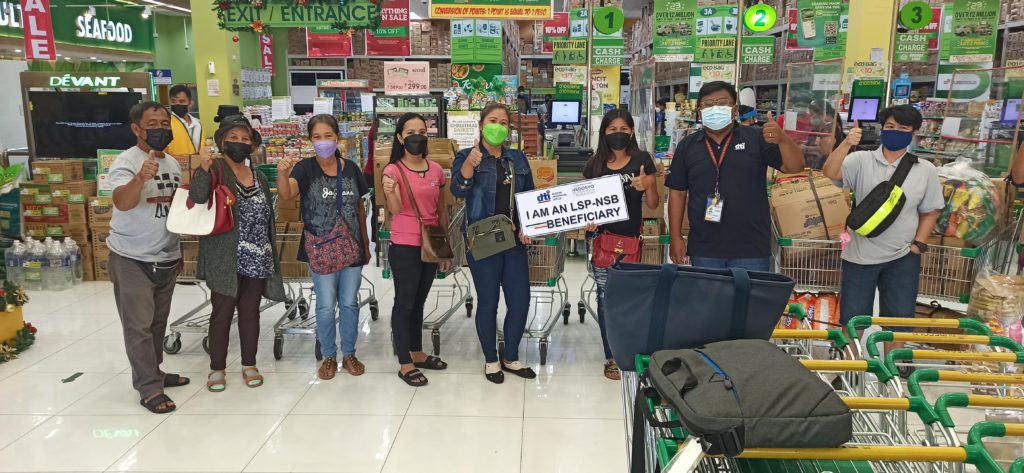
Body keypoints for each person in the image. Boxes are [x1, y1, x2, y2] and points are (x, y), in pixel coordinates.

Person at [822, 106, 944, 354]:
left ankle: (893, 369)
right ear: (881, 129)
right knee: (853, 319)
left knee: (898, 320)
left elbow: (931, 211)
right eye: (890, 126)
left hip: (902, 257)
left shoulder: (925, 170)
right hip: (859, 255)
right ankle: (849, 368)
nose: (895, 131)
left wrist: (918, 245)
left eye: (903, 128)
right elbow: (830, 172)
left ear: (914, 133)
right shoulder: (861, 160)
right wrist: (846, 143)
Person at [667, 81, 804, 271]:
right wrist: (675, 237)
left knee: (750, 292)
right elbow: (677, 193)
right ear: (699, 112)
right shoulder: (687, 146)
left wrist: (783, 140)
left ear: (735, 109)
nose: (715, 108)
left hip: (752, 248)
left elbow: (794, 167)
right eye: (708, 104)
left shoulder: (757, 138)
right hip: (704, 248)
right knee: (707, 291)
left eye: (722, 103)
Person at [192, 116, 286, 392]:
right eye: (233, 137)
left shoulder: (257, 175)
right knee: (221, 313)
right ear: (222, 141)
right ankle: (217, 369)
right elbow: (197, 197)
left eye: (245, 139)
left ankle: (249, 364)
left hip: (258, 256)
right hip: (225, 256)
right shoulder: (215, 169)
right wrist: (203, 168)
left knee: (250, 312)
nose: (239, 143)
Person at [277, 114, 371, 380]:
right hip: (320, 248)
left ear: (337, 137)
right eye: (317, 137)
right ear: (310, 140)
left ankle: (349, 353)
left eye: (328, 136)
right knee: (326, 305)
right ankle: (329, 355)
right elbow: (287, 193)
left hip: (351, 248)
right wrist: (282, 173)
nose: (323, 141)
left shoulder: (351, 169)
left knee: (349, 303)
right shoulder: (305, 169)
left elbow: (360, 208)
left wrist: (365, 244)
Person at [106, 102, 186, 414]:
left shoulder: (172, 163)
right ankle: (149, 387)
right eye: (153, 124)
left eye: (165, 124)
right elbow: (122, 202)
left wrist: (177, 250)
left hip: (166, 254)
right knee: (138, 326)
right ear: (136, 129)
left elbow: (172, 208)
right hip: (131, 257)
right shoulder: (126, 162)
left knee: (156, 324)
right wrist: (140, 178)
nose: (161, 129)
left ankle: (155, 372)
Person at [452, 103, 537, 384]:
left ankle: (510, 357)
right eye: (492, 120)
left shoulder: (517, 159)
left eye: (503, 122)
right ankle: (491, 359)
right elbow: (457, 190)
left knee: (520, 301)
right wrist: (470, 164)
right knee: (488, 302)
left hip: (514, 241)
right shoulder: (467, 156)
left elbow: (529, 196)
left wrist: (529, 226)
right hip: (483, 241)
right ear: (481, 125)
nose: (498, 126)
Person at [582, 109, 658, 381]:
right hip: (602, 242)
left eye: (624, 129)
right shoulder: (595, 164)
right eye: (612, 129)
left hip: (631, 244)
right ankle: (612, 356)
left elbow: (653, 204)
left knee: (631, 300)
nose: (618, 133)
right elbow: (582, 204)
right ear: (604, 132)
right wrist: (587, 220)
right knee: (606, 301)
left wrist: (647, 184)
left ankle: (631, 351)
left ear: (632, 131)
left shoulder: (642, 160)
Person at [380, 113, 453, 387]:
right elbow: (396, 209)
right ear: (400, 137)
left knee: (419, 301)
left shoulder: (436, 170)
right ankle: (405, 362)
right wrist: (390, 191)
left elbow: (441, 209)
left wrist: (444, 248)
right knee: (405, 303)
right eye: (410, 132)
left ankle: (417, 351)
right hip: (405, 245)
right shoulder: (393, 171)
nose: (417, 137)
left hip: (430, 244)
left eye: (421, 131)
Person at [167, 84, 203, 157]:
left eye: (182, 101)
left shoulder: (198, 124)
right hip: (175, 163)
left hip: (196, 163)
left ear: (190, 103)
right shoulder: (167, 124)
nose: (177, 104)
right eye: (174, 101)